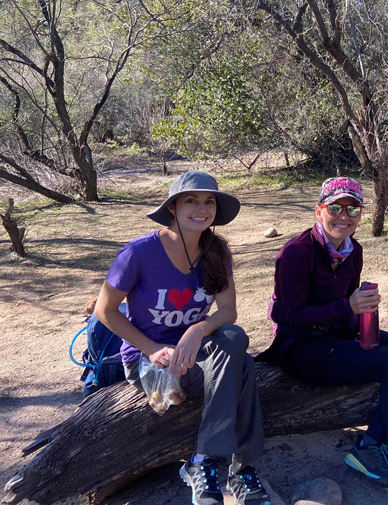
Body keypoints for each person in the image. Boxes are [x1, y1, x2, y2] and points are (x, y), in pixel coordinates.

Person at [266, 177, 388, 505]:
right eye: (335, 207)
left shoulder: (353, 251)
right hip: (300, 348)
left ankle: (369, 446)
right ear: (319, 210)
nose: (344, 215)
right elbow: (294, 317)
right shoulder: (295, 254)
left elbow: (347, 304)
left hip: (337, 334)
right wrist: (348, 307)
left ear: (360, 213)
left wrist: (361, 317)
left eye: (352, 208)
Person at [94, 171, 270, 505]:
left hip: (196, 351)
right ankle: (240, 467)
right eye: (191, 200)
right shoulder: (138, 254)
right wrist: (152, 347)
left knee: (233, 337)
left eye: (209, 201)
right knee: (243, 366)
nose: (201, 208)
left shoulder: (216, 250)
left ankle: (204, 459)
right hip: (150, 361)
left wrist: (197, 329)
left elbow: (228, 312)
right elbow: (105, 310)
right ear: (173, 207)